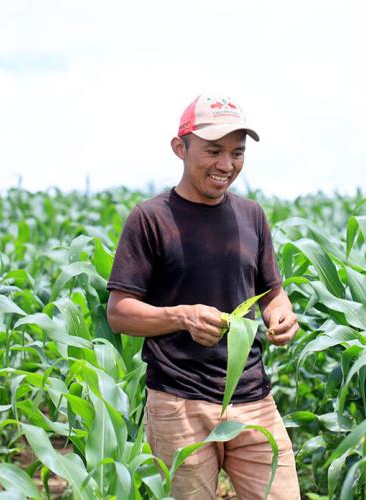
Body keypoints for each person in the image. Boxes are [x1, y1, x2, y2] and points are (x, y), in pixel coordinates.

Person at [106, 94, 301, 499]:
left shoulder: (252, 216)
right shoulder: (151, 218)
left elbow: (273, 293)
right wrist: (182, 316)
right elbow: (120, 313)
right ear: (180, 148)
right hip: (178, 404)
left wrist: (281, 314)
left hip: (253, 399)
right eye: (213, 151)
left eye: (237, 153)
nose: (226, 165)